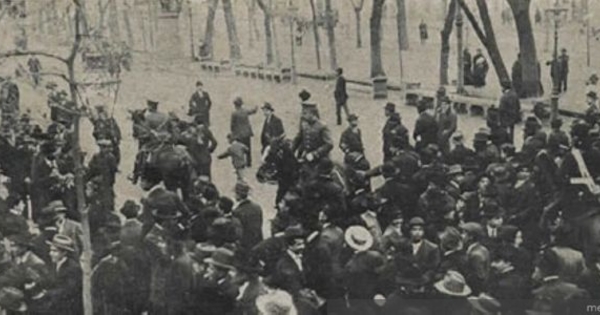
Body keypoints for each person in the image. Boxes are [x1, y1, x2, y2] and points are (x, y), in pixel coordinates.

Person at [46, 234, 83, 315]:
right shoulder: (53, 264)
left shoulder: (73, 268)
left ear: (64, 252)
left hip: (69, 309)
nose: (50, 253)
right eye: (50, 250)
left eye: (55, 251)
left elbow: (69, 290)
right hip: (57, 306)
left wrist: (46, 294)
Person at [232, 181, 264, 251]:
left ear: (238, 194)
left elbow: (239, 232)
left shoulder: (237, 212)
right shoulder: (257, 207)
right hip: (258, 242)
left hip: (245, 245)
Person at [230, 97, 258, 167]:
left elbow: (232, 125)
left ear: (235, 105)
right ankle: (249, 163)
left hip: (239, 134)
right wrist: (256, 108)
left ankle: (241, 163)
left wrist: (233, 132)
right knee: (248, 148)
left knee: (240, 149)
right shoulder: (245, 111)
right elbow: (252, 111)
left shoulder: (234, 113)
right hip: (247, 133)